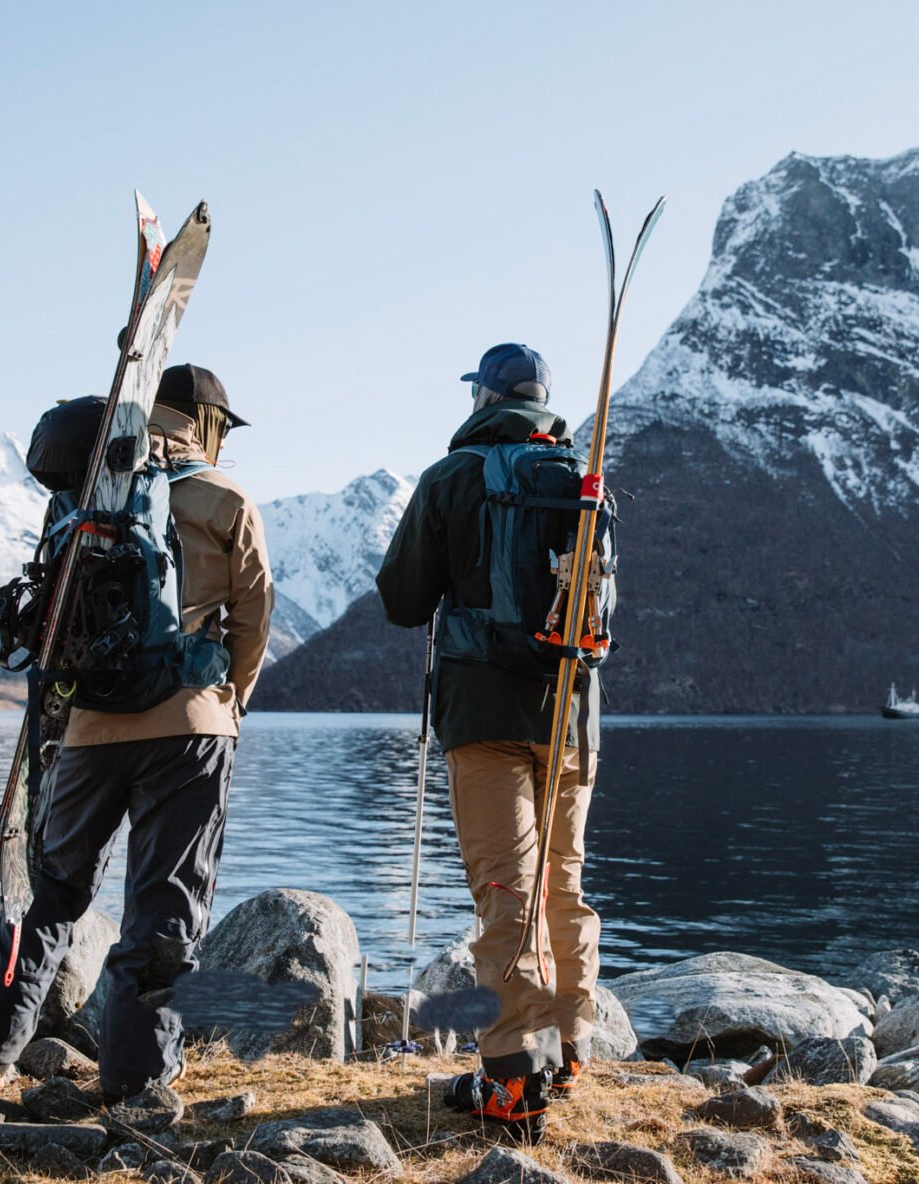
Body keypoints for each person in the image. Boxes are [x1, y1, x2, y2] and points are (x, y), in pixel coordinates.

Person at [0, 363, 272, 1100]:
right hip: (189, 729)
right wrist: (228, 707)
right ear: (207, 424)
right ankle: (136, 1079)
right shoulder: (223, 496)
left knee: (50, 891)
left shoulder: (86, 493)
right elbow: (253, 619)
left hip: (85, 728)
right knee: (163, 908)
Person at [375, 343, 604, 1141]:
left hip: (484, 721)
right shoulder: (583, 480)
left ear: (484, 396)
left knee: (505, 893)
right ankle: (568, 1052)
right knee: (564, 888)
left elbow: (403, 599)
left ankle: (512, 1083)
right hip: (574, 718)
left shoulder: (452, 476)